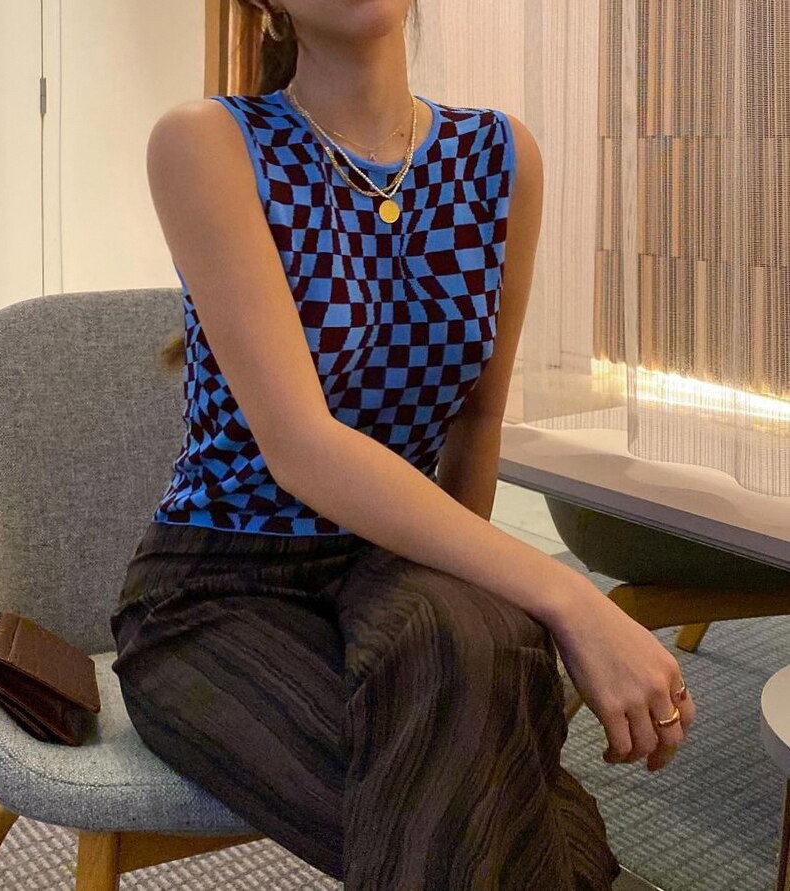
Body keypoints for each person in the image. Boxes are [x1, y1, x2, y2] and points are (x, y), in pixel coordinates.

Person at [110, 1, 696, 888]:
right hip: (219, 587)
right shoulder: (210, 142)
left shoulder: (500, 156)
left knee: (478, 650)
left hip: (394, 558)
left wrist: (482, 609)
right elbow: (303, 446)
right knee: (491, 789)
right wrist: (568, 599)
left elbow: (477, 419)